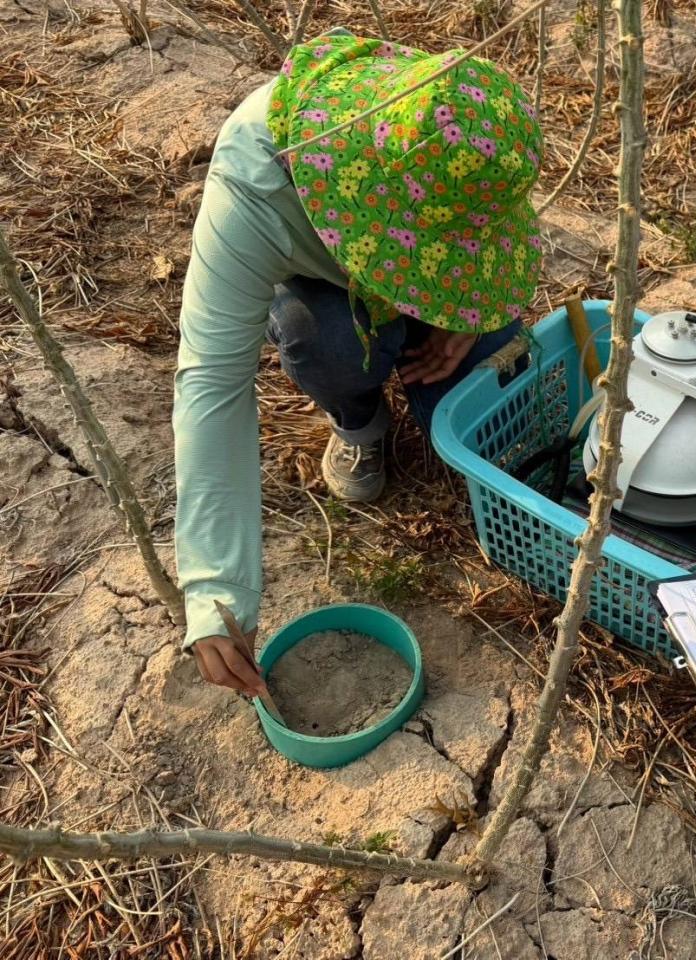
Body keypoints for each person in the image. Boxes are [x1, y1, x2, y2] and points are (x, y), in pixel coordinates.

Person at [173, 34, 543, 695]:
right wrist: (215, 586)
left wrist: (469, 314)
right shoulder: (254, 187)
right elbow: (210, 383)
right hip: (328, 294)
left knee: (477, 410)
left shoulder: (451, 113)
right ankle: (358, 414)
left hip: (436, 254)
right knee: (324, 339)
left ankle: (423, 345)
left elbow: (485, 214)